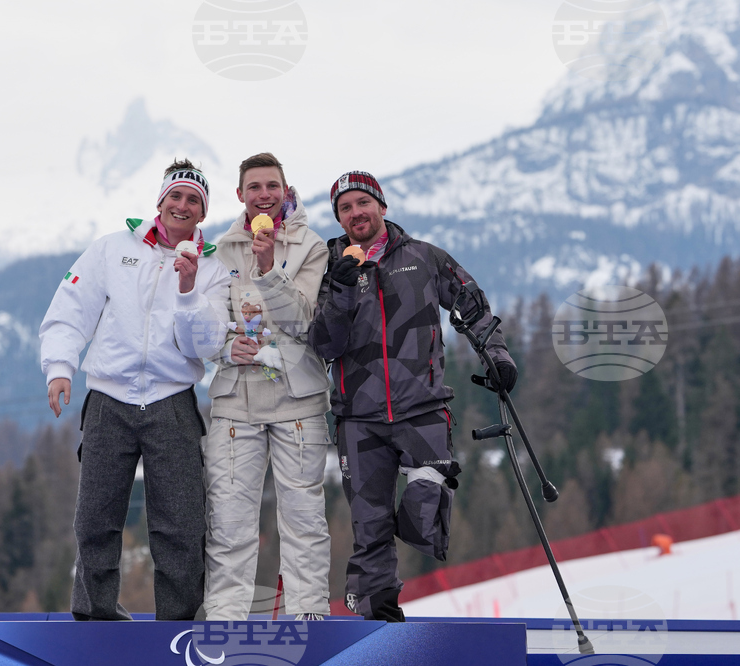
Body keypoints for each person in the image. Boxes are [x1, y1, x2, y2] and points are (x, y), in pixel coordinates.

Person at [308, 171, 517, 622]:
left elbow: (472, 306)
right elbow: (324, 344)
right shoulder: (331, 269)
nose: (355, 213)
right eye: (345, 209)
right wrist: (342, 289)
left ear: (382, 207)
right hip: (358, 417)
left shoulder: (423, 257)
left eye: (362, 203)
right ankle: (377, 615)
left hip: (422, 407)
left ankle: (406, 532)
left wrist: (497, 356)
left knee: (427, 505)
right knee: (370, 525)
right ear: (339, 219)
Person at [39, 159, 230, 621]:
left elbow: (206, 345)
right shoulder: (111, 249)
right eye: (176, 196)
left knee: (181, 525)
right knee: (94, 519)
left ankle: (178, 625)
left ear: (202, 214)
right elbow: (71, 306)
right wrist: (60, 366)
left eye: (194, 201)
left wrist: (188, 292)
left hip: (172, 402)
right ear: (160, 202)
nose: (182, 206)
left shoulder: (213, 267)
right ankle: (94, 616)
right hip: (109, 399)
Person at [203, 153, 332, 620]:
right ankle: (224, 622)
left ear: (285, 190)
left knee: (302, 521)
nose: (264, 195)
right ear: (240, 195)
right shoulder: (221, 249)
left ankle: (309, 619)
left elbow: (303, 322)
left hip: (298, 399)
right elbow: (208, 324)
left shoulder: (311, 246)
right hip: (236, 402)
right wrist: (223, 347)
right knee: (230, 523)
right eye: (254, 187)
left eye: (271, 186)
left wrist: (268, 267)